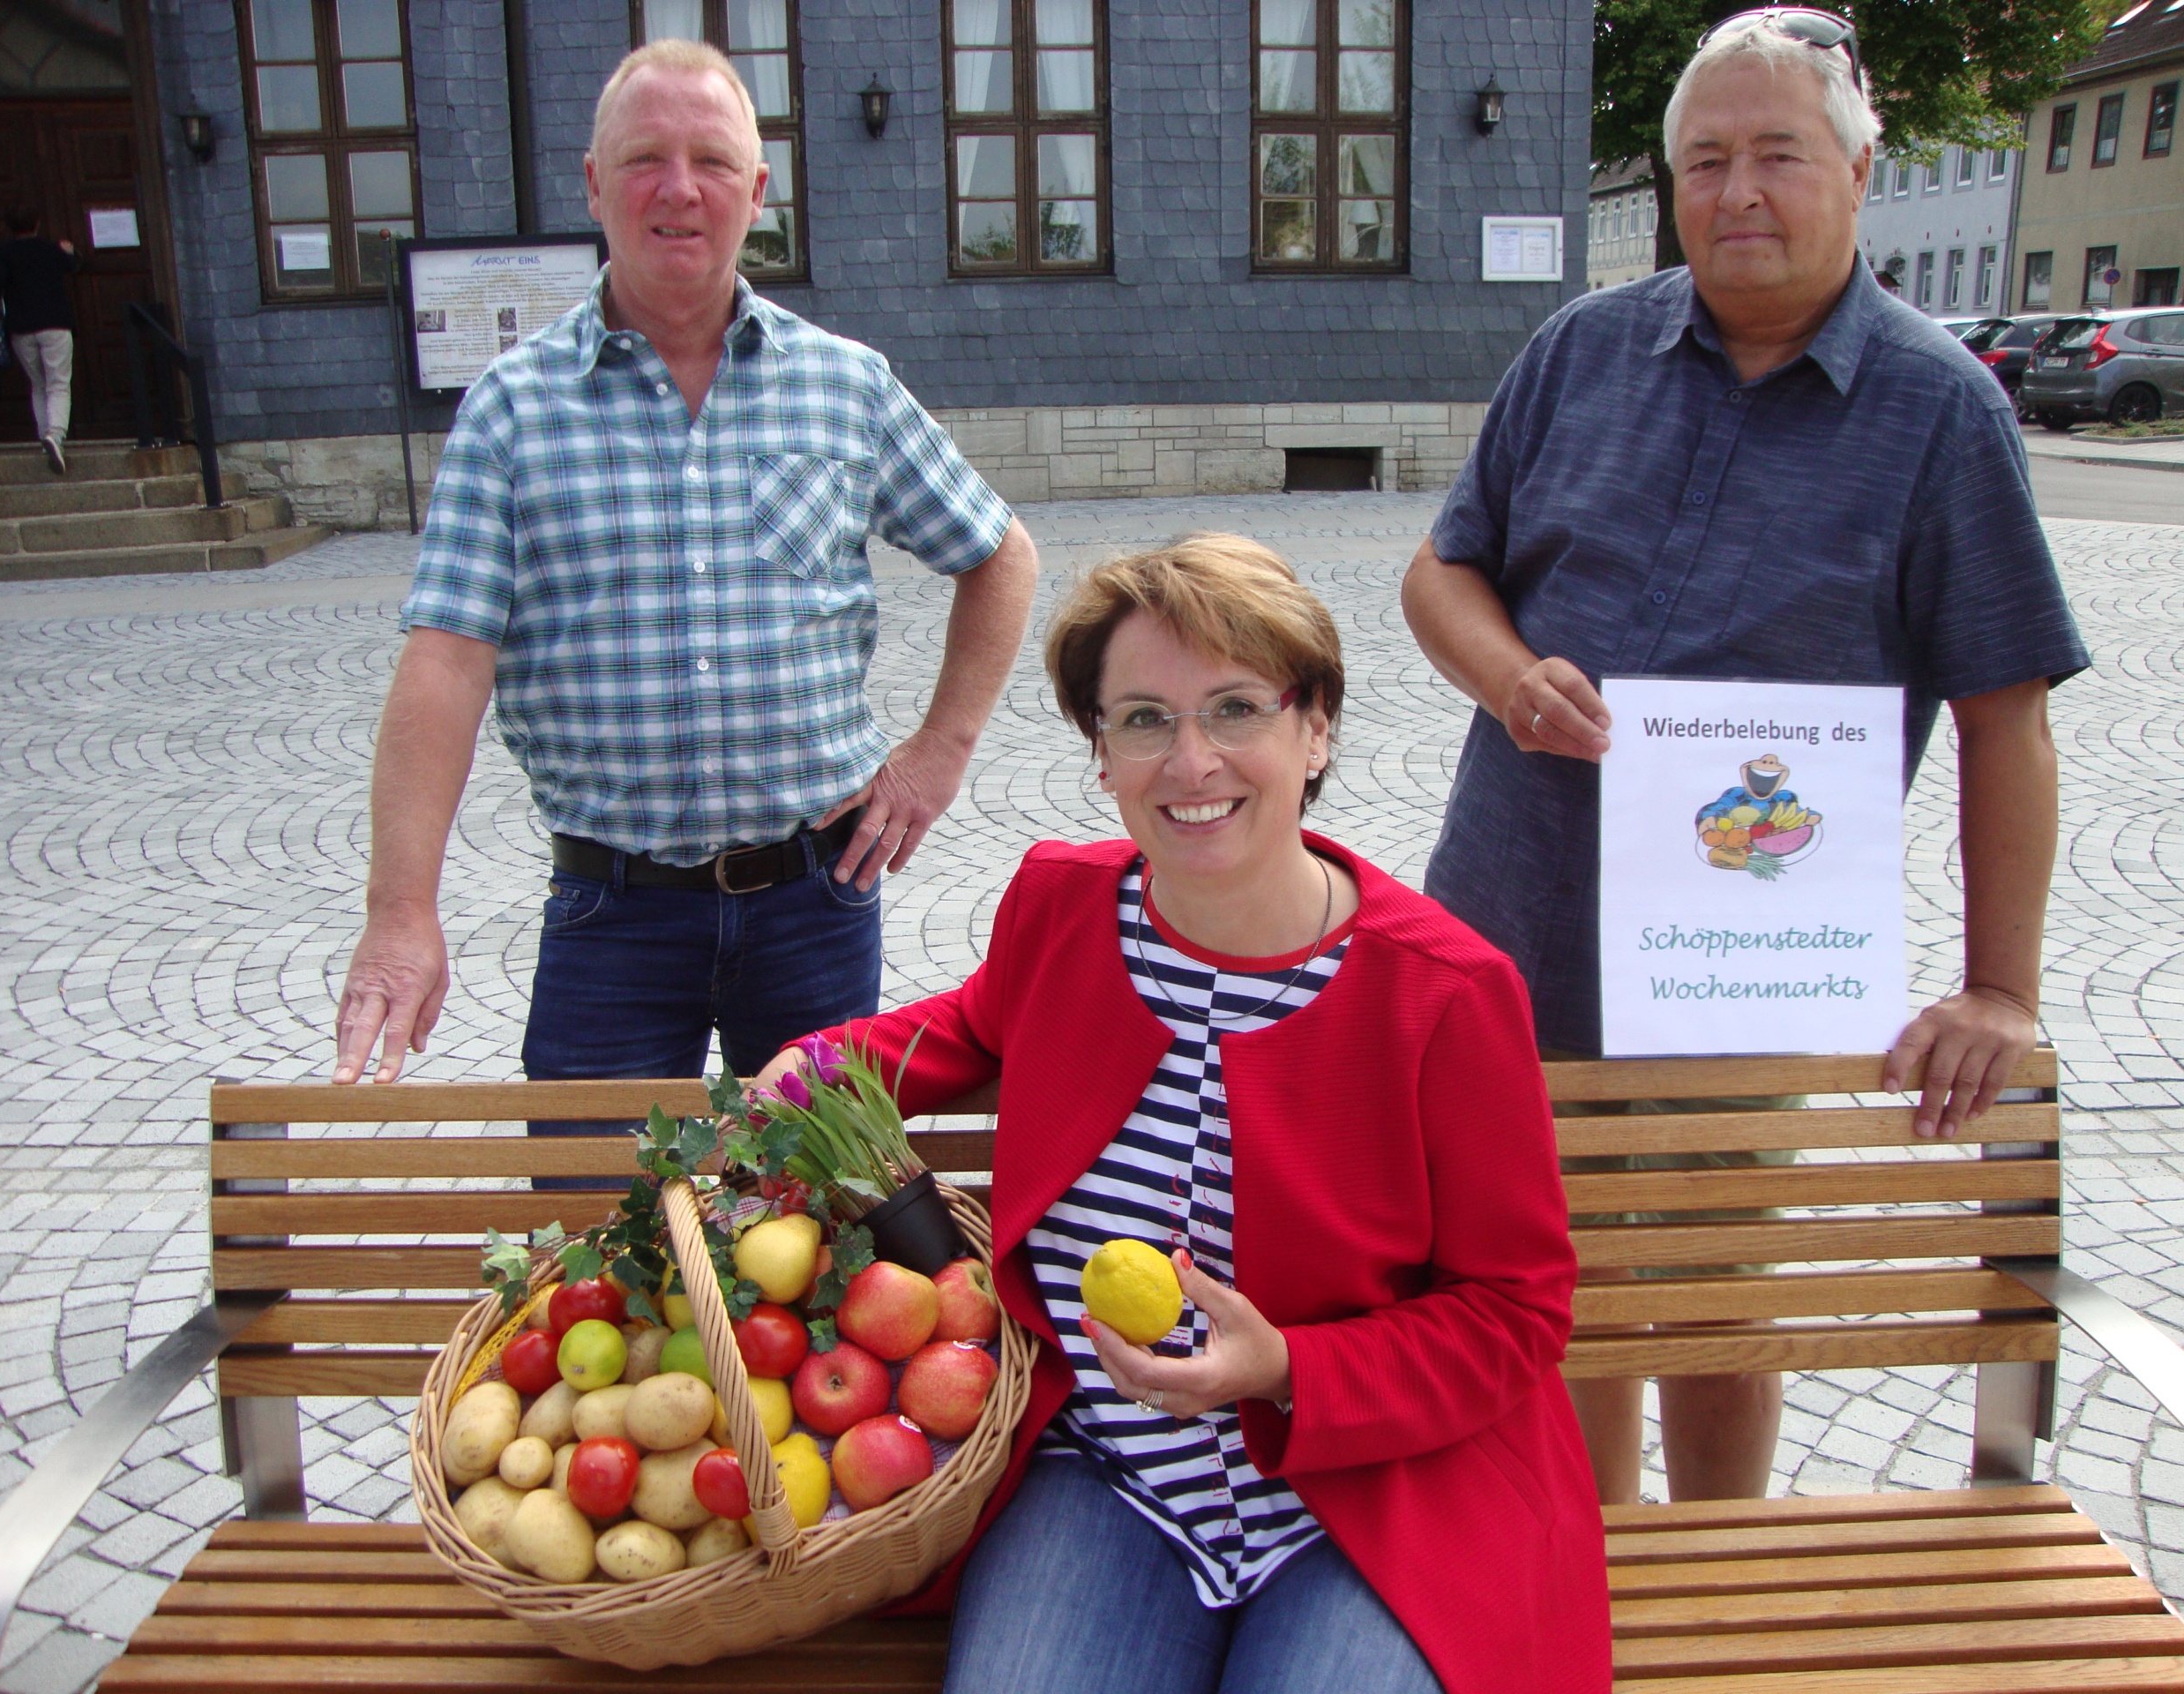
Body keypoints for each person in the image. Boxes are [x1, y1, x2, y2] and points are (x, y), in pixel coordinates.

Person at [1401, 7, 2088, 1507]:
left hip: (1738, 952)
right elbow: (1440, 576)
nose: (1739, 193)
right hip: (1514, 924)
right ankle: (1600, 1568)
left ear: (1858, 167)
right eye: (1706, 160)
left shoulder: (1942, 413)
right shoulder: (1580, 352)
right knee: (1555, 1287)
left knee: (1713, 1293)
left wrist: (2002, 987)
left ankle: (1721, 1553)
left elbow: (2004, 716)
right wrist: (1511, 677)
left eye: (1779, 154)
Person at [762, 537, 1609, 1694]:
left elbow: (1515, 1316)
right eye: (1145, 718)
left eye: (1236, 708)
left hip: (1373, 1494)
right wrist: (801, 1073)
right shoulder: (1062, 907)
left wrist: (1288, 1370)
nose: (1191, 759)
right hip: (1108, 1476)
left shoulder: (1446, 995)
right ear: (1101, 753)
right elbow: (966, 1027)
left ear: (1315, 730)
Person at [328, 39, 1039, 1131]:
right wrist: (399, 911)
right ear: (593, 186)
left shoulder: (842, 386)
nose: (678, 189)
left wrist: (938, 751)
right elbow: (445, 661)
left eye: (711, 160)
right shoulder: (513, 413)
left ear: (756, 192)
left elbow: (997, 554)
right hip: (611, 912)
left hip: (815, 898)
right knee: (587, 1233)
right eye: (644, 158)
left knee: (822, 1225)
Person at [0, 207, 80, 474]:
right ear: (37, 224)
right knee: (59, 383)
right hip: (55, 324)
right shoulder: (50, 250)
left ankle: (43, 438)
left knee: (38, 384)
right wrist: (69, 251)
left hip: (21, 327)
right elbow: (74, 267)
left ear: (9, 227)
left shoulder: (4, 253)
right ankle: (56, 435)